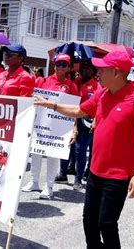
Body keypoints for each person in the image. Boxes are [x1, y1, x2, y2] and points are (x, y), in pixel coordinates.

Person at [34, 50, 134, 247]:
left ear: (116, 72)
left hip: (118, 176)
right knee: (89, 222)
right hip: (95, 172)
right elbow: (79, 110)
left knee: (106, 223)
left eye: (102, 69)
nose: (98, 73)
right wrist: (50, 104)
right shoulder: (102, 93)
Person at [22, 53, 79, 199]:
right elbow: (34, 100)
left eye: (64, 65)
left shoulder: (72, 86)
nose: (60, 67)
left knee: (54, 156)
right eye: (58, 64)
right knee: (36, 152)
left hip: (59, 128)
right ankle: (34, 181)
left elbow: (75, 109)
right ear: (54, 65)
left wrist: (74, 128)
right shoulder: (44, 81)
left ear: (68, 67)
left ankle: (49, 187)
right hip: (41, 125)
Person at [56, 61, 100, 191]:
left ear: (93, 71)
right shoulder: (74, 83)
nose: (84, 70)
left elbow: (100, 105)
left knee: (80, 150)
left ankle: (78, 179)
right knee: (66, 146)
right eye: (83, 68)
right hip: (71, 117)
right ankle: (62, 174)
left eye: (87, 68)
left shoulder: (97, 86)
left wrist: (96, 119)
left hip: (86, 120)